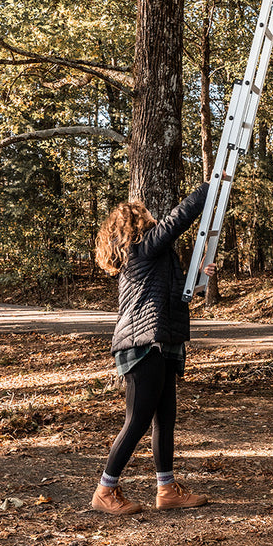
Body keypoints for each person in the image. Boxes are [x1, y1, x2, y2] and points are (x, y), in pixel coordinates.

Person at [91, 182, 216, 515]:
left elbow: (169, 293)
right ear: (135, 223)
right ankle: (105, 489)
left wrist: (198, 275)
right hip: (142, 345)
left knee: (165, 417)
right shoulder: (143, 248)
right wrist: (209, 188)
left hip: (158, 343)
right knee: (138, 419)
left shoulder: (154, 256)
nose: (152, 216)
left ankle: (166, 489)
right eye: (145, 214)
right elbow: (178, 220)